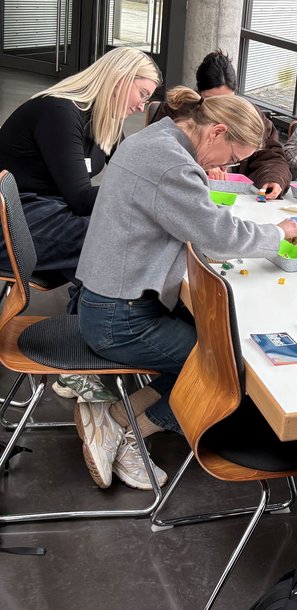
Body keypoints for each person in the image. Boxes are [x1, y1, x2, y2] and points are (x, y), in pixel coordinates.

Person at [72, 88, 297, 491]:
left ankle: (116, 417)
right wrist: (276, 234)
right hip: (118, 318)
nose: (228, 166)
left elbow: (194, 221)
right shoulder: (171, 164)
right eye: (232, 157)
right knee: (228, 370)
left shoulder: (155, 138)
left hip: (109, 298)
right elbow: (215, 237)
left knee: (208, 347)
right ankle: (132, 433)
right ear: (216, 132)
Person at [0, 47, 161, 404]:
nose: (141, 105)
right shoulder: (59, 111)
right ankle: (86, 358)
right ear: (119, 78)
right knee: (107, 237)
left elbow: (127, 178)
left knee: (115, 232)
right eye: (142, 93)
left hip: (43, 211)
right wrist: (149, 203)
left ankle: (95, 345)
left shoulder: (102, 122)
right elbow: (80, 198)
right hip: (11, 221)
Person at [151, 49, 292, 199]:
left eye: (228, 99)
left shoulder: (250, 117)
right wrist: (202, 168)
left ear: (235, 94)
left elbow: (271, 156)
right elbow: (160, 158)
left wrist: (273, 178)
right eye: (212, 100)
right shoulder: (177, 110)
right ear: (198, 92)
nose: (222, 106)